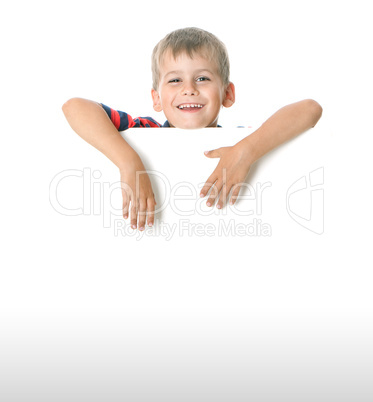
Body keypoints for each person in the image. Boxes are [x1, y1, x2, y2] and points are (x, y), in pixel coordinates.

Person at [62, 27, 322, 231]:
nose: (189, 89)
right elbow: (74, 107)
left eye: (202, 78)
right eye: (175, 80)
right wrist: (128, 161)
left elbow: (310, 110)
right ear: (156, 98)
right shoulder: (145, 129)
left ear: (227, 93)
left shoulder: (239, 140)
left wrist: (247, 151)